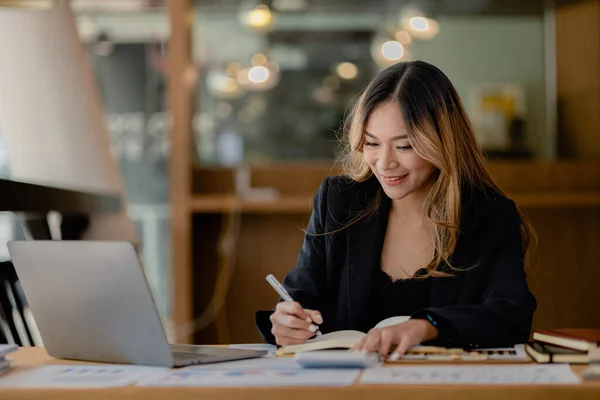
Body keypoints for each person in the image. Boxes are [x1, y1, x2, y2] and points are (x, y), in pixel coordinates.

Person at [255, 60, 537, 361]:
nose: (384, 163)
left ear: (442, 143)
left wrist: (427, 327)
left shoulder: (489, 215)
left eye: (404, 146)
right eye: (372, 143)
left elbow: (512, 315)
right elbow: (300, 300)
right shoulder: (339, 201)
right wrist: (285, 325)